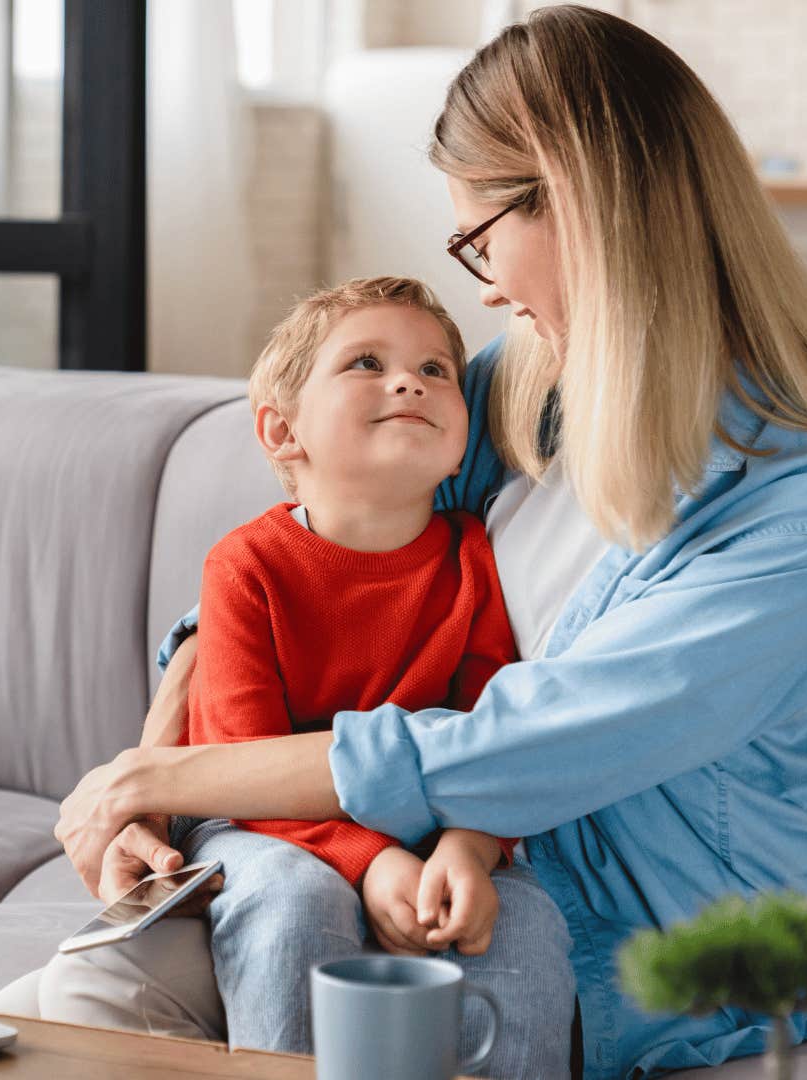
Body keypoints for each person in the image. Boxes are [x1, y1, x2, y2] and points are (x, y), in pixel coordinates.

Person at [9, 7, 807, 1078]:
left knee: (99, 1017)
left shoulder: (804, 499)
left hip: (635, 950)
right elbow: (311, 565)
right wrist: (150, 778)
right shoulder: (526, 387)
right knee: (63, 1002)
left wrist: (179, 775)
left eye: (482, 236)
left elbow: (527, 741)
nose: (482, 284)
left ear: (576, 202)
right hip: (426, 871)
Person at [152, 275, 568, 1075]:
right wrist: (371, 862)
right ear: (281, 431)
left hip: (429, 830)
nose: (408, 380)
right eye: (366, 363)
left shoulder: (477, 558)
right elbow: (241, 767)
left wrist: (469, 852)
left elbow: (494, 739)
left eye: (437, 369)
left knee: (523, 919)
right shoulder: (245, 568)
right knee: (295, 899)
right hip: (254, 825)